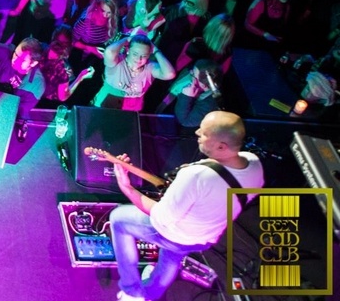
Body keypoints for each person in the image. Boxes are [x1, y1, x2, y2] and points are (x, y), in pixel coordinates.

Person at [110, 111, 263, 301]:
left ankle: (131, 291)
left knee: (118, 219)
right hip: (205, 239)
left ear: (221, 146)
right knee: (172, 255)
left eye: (204, 133)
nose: (197, 132)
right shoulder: (254, 163)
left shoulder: (196, 175)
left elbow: (162, 217)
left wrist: (126, 187)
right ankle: (151, 293)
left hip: (176, 234)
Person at [92, 34, 176, 111]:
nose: (139, 59)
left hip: (129, 114)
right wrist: (126, 40)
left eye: (144, 56)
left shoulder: (149, 67)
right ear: (128, 50)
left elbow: (170, 74)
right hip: (104, 108)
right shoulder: (117, 61)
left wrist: (156, 50)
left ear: (149, 55)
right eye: (135, 54)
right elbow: (109, 52)